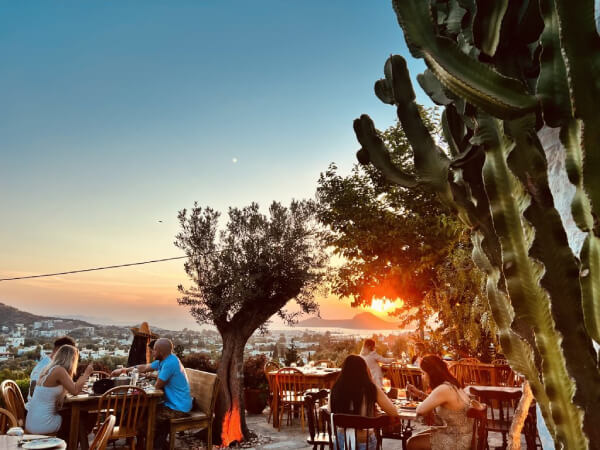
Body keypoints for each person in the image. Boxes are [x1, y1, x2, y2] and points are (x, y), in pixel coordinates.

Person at [112, 338, 191, 449]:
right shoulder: (165, 360)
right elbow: (144, 367)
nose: (152, 352)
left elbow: (157, 386)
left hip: (178, 408)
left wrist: (144, 383)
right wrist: (123, 370)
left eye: (154, 350)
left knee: (145, 421)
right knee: (140, 413)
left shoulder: (170, 363)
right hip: (173, 403)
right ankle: (153, 444)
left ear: (161, 352)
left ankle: (154, 446)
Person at [329, 355, 399, 450]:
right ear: (364, 370)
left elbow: (330, 411)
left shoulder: (336, 388)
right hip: (365, 441)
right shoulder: (371, 388)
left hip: (341, 441)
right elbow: (393, 412)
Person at [406, 355, 473, 450]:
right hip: (462, 434)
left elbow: (420, 410)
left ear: (431, 373)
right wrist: (419, 394)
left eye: (423, 373)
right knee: (417, 437)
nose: (423, 377)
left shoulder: (443, 389)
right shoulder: (450, 384)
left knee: (412, 443)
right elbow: (437, 401)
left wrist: (421, 400)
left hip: (458, 440)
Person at [26, 345, 93, 435]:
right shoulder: (59, 371)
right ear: (71, 359)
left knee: (73, 415)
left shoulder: (48, 369)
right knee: (81, 416)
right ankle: (73, 445)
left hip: (32, 423)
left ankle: (70, 444)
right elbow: (75, 391)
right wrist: (86, 373)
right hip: (43, 424)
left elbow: (69, 388)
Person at [28, 336, 76, 402]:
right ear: (62, 351)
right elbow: (33, 394)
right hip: (38, 408)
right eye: (70, 354)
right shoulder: (44, 367)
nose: (71, 358)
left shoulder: (53, 364)